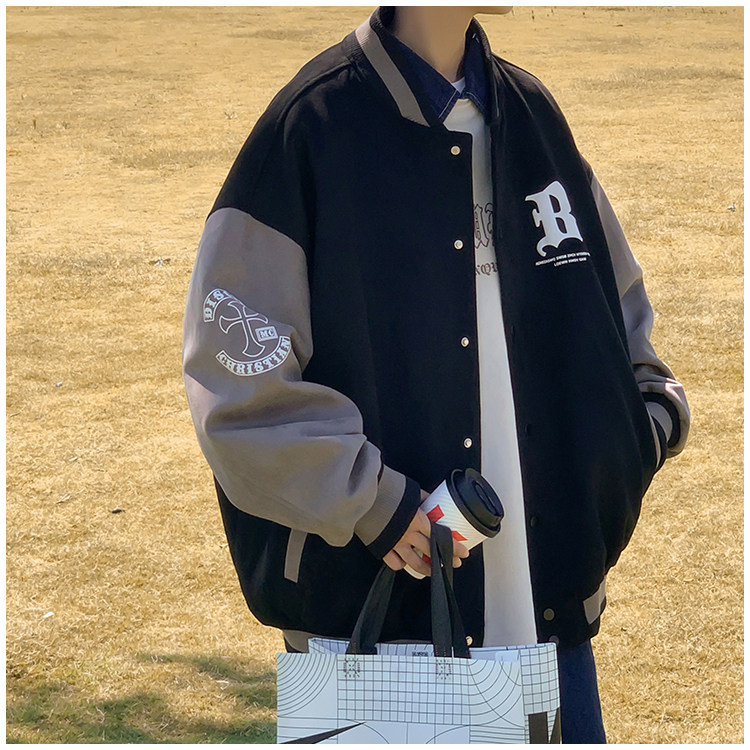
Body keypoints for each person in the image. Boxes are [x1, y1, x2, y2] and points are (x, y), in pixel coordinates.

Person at [182, 6, 690, 743]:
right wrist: (372, 502)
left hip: (551, 623)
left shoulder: (532, 116)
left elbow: (616, 314)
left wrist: (647, 423)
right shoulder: (308, 130)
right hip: (379, 635)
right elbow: (238, 391)